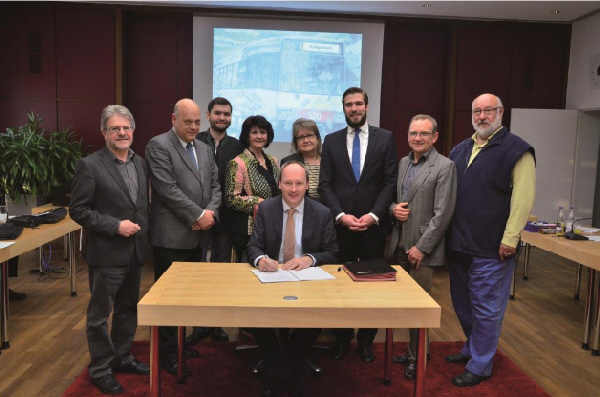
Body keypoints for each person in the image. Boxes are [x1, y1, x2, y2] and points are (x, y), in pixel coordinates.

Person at [445, 93, 535, 387]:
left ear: (501, 112)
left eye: (488, 111)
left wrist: (511, 238)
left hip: (493, 248)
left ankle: (481, 365)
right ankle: (472, 349)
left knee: (486, 309)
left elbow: (523, 200)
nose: (482, 116)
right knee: (463, 305)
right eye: (476, 111)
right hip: (459, 244)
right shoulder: (460, 150)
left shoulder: (518, 150)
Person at [69, 105, 150, 395]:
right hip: (107, 253)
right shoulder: (89, 165)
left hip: (136, 252)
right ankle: (100, 368)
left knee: (128, 309)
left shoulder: (140, 163)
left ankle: (122, 357)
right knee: (99, 315)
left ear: (133, 130)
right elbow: (78, 210)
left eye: (126, 127)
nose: (122, 133)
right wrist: (115, 225)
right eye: (115, 128)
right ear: (104, 133)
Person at [246, 161, 338, 397]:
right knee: (253, 316)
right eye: (288, 183)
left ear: (308, 184)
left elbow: (332, 251)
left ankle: (279, 368)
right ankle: (286, 369)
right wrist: (260, 260)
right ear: (279, 184)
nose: (294, 189)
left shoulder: (322, 212)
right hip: (271, 277)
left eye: (299, 183)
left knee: (315, 316)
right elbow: (253, 246)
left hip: (307, 279)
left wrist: (309, 258)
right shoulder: (266, 208)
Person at [319, 87, 397, 363]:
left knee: (372, 285)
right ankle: (341, 338)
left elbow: (390, 182)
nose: (354, 109)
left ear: (367, 106)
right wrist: (340, 215)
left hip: (373, 228)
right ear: (343, 108)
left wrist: (374, 215)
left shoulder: (385, 138)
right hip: (340, 228)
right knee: (339, 285)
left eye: (358, 104)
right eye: (348, 105)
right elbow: (325, 184)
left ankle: (366, 340)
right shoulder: (330, 141)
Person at [145, 98, 221, 377]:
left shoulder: (204, 147)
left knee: (188, 296)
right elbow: (166, 189)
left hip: (199, 236)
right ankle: (167, 354)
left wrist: (210, 212)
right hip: (171, 237)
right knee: (169, 299)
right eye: (187, 121)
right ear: (173, 119)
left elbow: (214, 184)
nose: (193, 126)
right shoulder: (159, 145)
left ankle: (179, 343)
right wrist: (198, 215)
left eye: (197, 121)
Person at [386, 114, 457, 379]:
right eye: (413, 133)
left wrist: (422, 247)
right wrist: (393, 209)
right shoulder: (404, 162)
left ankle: (418, 356)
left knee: (419, 307)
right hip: (398, 246)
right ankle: (413, 351)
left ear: (435, 137)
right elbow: (397, 201)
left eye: (424, 134)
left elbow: (443, 214)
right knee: (404, 307)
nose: (417, 138)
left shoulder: (444, 166)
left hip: (421, 251)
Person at [186, 97, 242, 346]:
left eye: (227, 114)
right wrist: (200, 214)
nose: (222, 118)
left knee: (220, 275)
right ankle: (199, 325)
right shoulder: (194, 143)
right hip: (197, 219)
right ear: (208, 115)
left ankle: (217, 323)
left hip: (226, 221)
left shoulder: (238, 146)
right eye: (218, 113)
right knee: (199, 275)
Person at [225, 115, 279, 262]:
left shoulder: (273, 161)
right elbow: (231, 199)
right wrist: (259, 201)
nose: (259, 136)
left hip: (271, 225)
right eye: (254, 132)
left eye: (263, 132)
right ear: (247, 136)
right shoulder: (237, 163)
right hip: (247, 229)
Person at [280, 118, 322, 201]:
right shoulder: (289, 162)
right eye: (301, 137)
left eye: (310, 135)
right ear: (296, 143)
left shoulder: (329, 160)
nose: (306, 140)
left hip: (328, 210)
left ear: (317, 138)